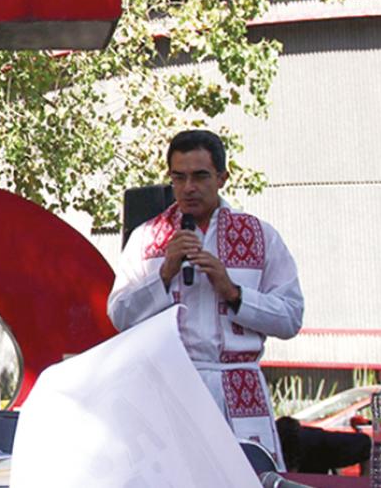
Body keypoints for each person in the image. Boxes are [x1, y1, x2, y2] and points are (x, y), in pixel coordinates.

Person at [108, 130, 304, 466]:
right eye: (178, 177)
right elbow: (120, 317)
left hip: (238, 385)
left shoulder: (259, 236)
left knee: (244, 475)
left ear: (222, 178)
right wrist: (164, 273)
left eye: (200, 176)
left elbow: (290, 318)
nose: (188, 188)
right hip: (169, 386)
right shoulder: (147, 238)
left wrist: (234, 293)